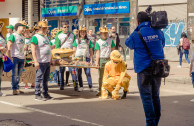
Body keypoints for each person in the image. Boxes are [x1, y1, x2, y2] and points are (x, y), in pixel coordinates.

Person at [125, 11, 165, 126]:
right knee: (155, 95)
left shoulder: (137, 34)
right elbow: (162, 44)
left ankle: (150, 123)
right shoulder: (158, 31)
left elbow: (128, 43)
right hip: (158, 69)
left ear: (138, 22)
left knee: (147, 98)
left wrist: (137, 29)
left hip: (144, 71)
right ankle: (155, 121)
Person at [31, 20, 53, 101]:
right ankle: (37, 94)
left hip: (47, 61)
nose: (45, 29)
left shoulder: (46, 37)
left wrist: (50, 59)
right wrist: (36, 61)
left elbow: (49, 49)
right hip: (40, 61)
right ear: (39, 28)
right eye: (43, 28)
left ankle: (45, 93)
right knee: (39, 78)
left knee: (46, 79)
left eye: (46, 28)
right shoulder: (35, 37)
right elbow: (33, 50)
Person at [55, 22, 78, 91]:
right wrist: (58, 57)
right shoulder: (58, 36)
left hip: (70, 56)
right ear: (61, 28)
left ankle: (75, 86)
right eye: (65, 27)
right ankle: (61, 85)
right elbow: (57, 47)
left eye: (67, 27)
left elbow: (74, 45)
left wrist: (74, 54)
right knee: (61, 71)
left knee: (73, 71)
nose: (66, 28)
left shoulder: (72, 35)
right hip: (62, 55)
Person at [7, 21, 27, 95]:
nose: (24, 29)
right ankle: (14, 89)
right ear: (18, 27)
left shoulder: (22, 36)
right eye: (23, 27)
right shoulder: (13, 35)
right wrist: (9, 56)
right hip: (15, 57)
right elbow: (9, 45)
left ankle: (17, 87)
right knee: (14, 74)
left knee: (19, 74)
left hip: (21, 58)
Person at [95, 26, 115, 96]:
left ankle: (110, 91)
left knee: (110, 76)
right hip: (101, 59)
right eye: (103, 33)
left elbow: (113, 51)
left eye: (106, 33)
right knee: (101, 76)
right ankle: (101, 90)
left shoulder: (110, 41)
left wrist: (114, 60)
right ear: (100, 34)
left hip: (109, 59)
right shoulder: (98, 42)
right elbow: (97, 53)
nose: (105, 34)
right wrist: (97, 63)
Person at [73, 26, 94, 92]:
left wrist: (91, 60)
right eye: (81, 32)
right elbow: (74, 50)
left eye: (84, 32)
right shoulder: (76, 40)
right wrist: (73, 59)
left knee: (87, 72)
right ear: (79, 33)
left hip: (86, 58)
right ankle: (81, 86)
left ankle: (90, 86)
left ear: (85, 33)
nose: (83, 33)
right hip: (78, 59)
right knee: (79, 73)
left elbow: (91, 51)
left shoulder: (88, 41)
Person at [0, 21, 7, 96]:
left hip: (1, 57)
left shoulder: (2, 36)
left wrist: (5, 49)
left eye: (0, 27)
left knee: (0, 75)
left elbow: (5, 46)